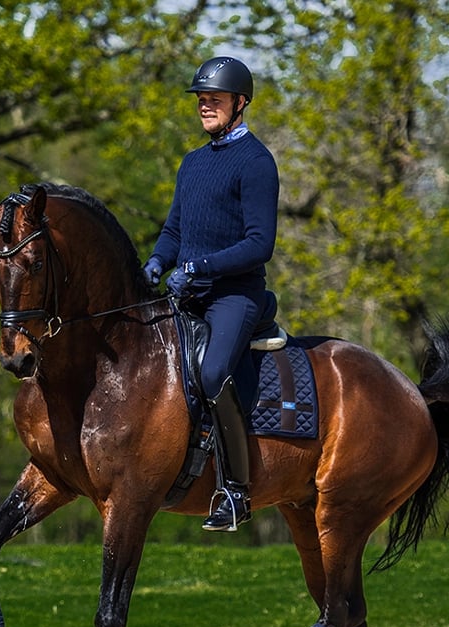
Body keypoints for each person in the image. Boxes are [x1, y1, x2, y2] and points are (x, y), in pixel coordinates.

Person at [143, 56, 280, 531]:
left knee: (213, 370)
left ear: (240, 104)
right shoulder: (193, 162)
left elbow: (260, 243)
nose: (205, 107)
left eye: (215, 100)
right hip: (188, 292)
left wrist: (201, 266)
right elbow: (175, 228)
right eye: (202, 100)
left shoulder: (257, 163)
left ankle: (235, 492)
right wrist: (158, 260)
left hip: (234, 296)